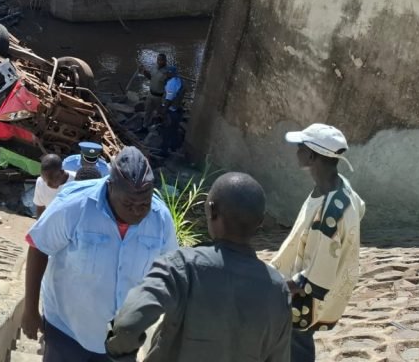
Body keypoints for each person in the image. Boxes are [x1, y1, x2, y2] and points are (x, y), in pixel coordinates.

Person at [106, 173, 291, 362]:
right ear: (259, 223)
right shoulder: (278, 289)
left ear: (211, 210)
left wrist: (121, 356)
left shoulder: (180, 266)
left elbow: (128, 326)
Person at [22, 146, 178, 360]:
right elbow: (38, 245)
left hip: (122, 338)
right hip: (67, 331)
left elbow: (168, 271)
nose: (137, 211)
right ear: (110, 186)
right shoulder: (74, 206)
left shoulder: (160, 219)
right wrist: (30, 310)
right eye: (129, 203)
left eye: (144, 203)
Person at [271, 124, 365, 362]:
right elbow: (360, 207)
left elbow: (315, 278)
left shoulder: (330, 212)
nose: (297, 152)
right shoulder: (337, 186)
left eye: (300, 147)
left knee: (297, 343)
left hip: (306, 296)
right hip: (300, 280)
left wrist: (277, 287)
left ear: (311, 156)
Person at [141, 53, 171, 130]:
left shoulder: (168, 72)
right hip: (150, 94)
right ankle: (144, 127)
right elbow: (151, 78)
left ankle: (159, 130)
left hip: (160, 97)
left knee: (160, 114)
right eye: (158, 60)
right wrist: (145, 72)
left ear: (165, 61)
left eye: (161, 60)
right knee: (148, 111)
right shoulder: (154, 68)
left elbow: (170, 86)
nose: (159, 61)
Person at [161, 66, 185, 155]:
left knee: (166, 131)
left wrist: (164, 111)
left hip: (171, 111)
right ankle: (174, 147)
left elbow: (169, 99)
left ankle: (164, 152)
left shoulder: (171, 83)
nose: (166, 74)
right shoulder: (180, 81)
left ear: (171, 73)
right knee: (174, 130)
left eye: (167, 73)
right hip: (178, 109)